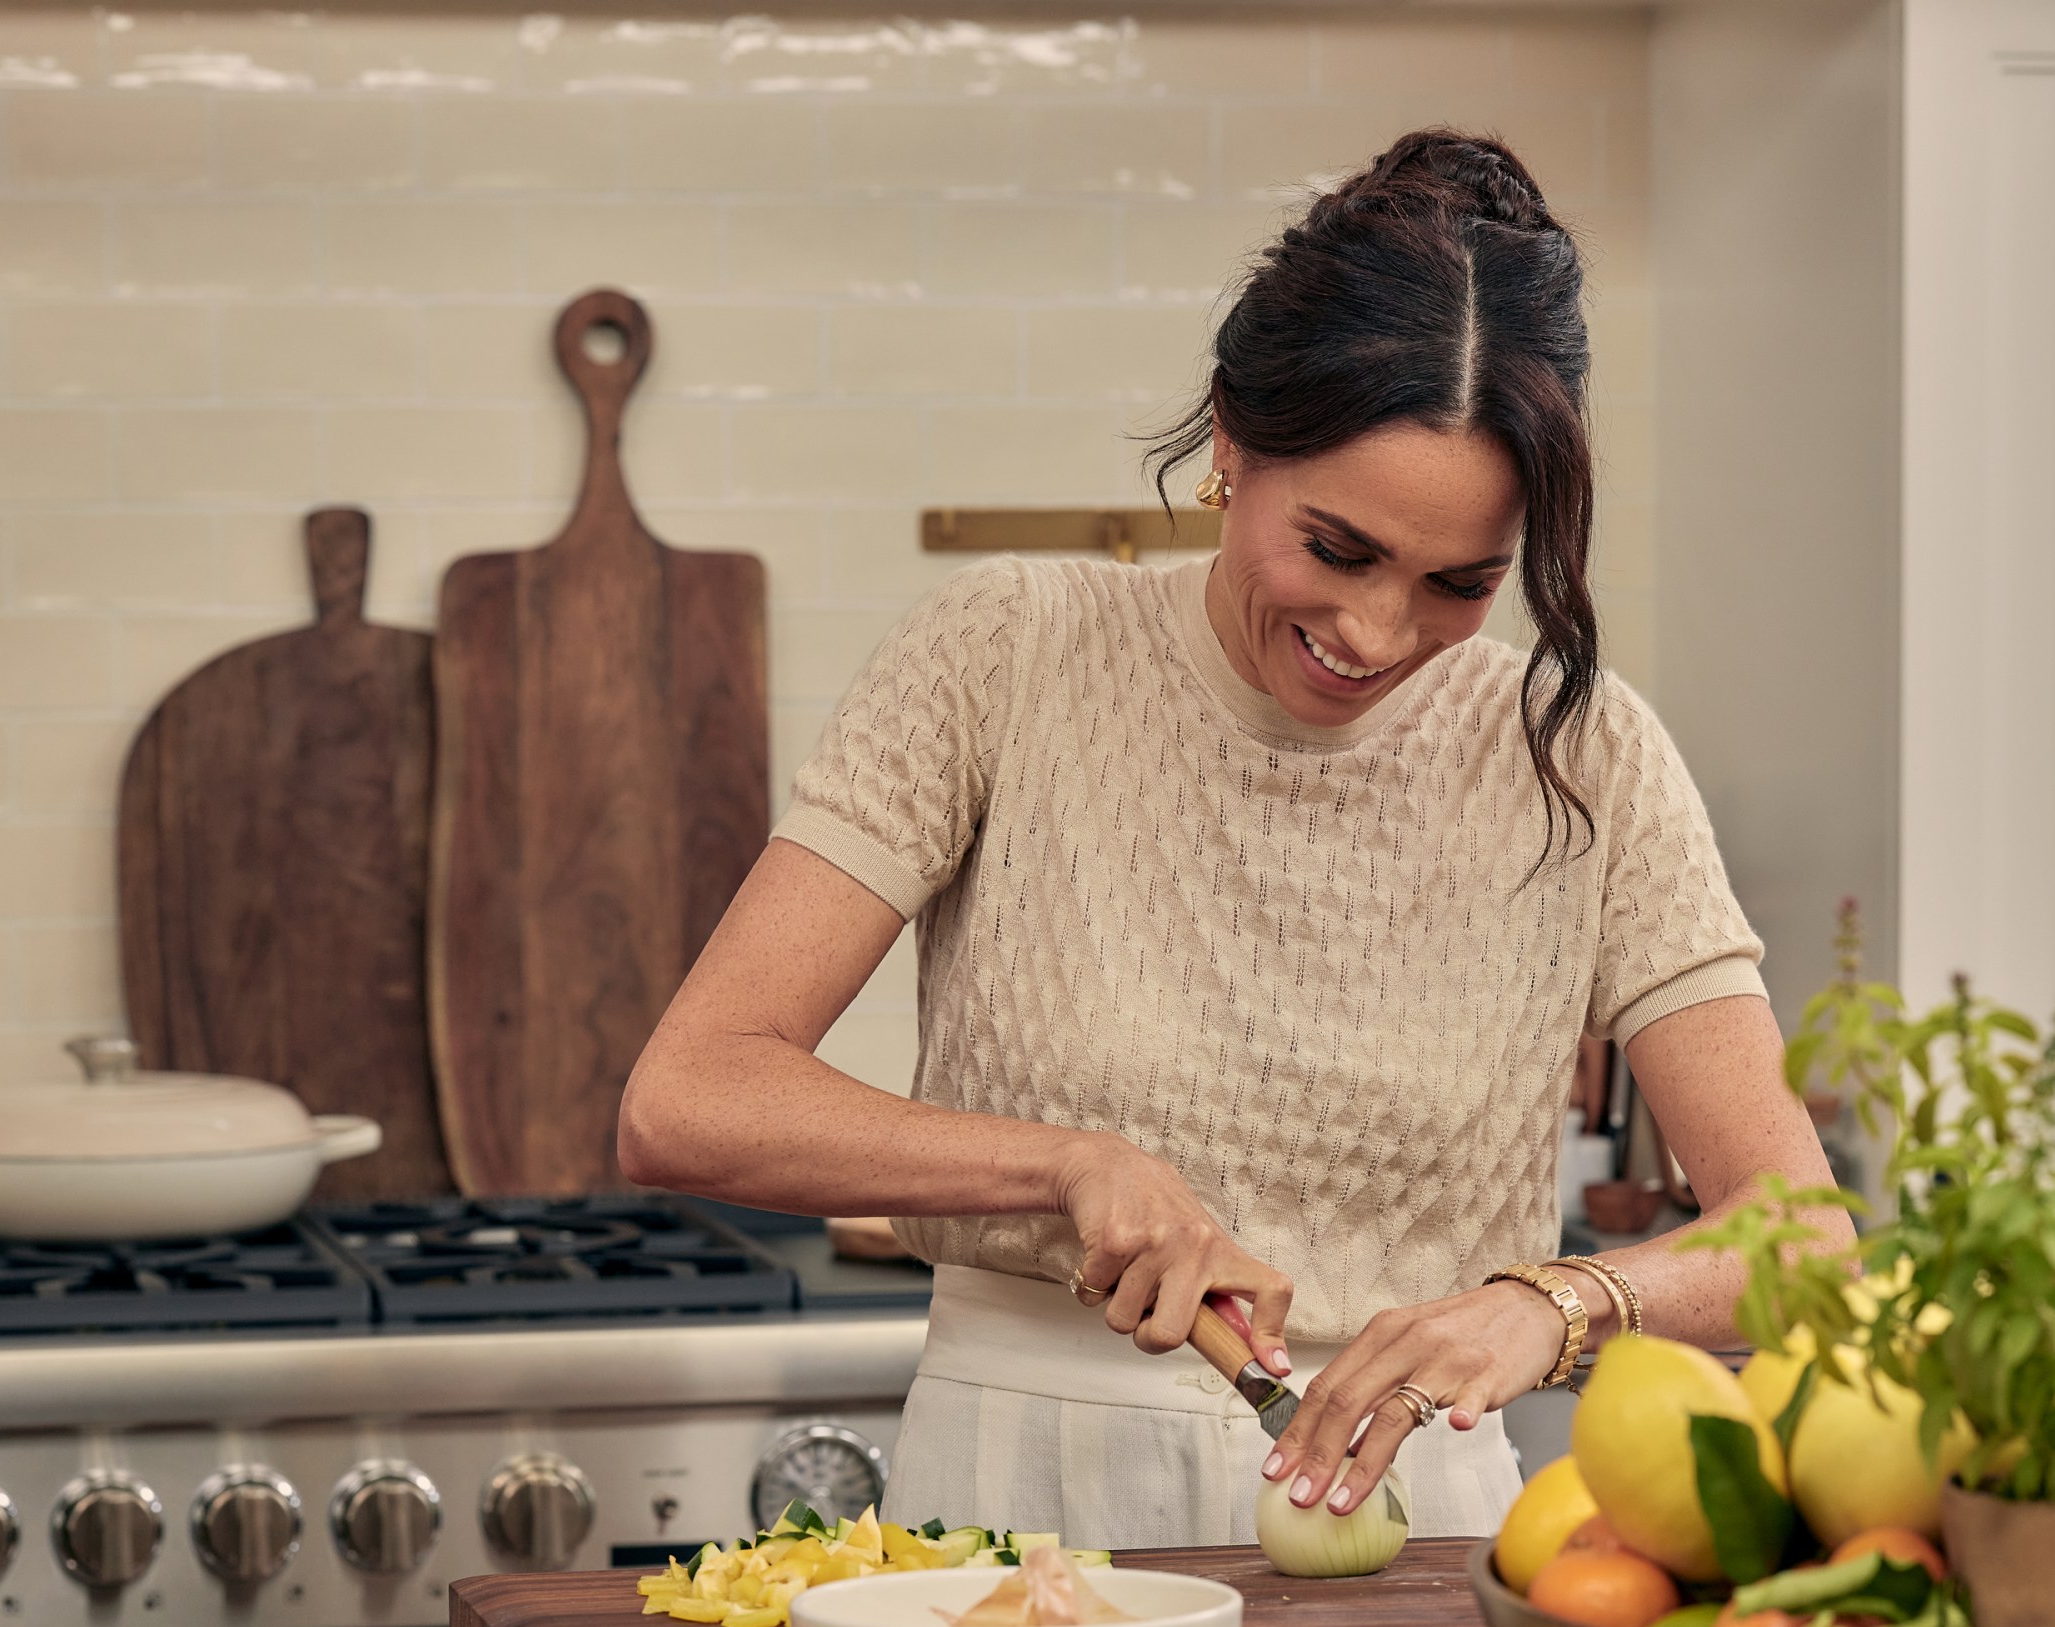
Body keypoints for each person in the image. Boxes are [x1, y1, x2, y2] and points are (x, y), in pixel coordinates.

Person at [619, 129, 1841, 1548]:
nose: (1378, 635)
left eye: (1462, 584)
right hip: (1021, 1502)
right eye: (1336, 550)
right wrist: (1064, 1165)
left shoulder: (1586, 755)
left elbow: (1803, 1242)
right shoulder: (1008, 654)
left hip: (1423, 1520)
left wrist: (1559, 1304)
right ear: (1230, 446)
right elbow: (689, 1096)